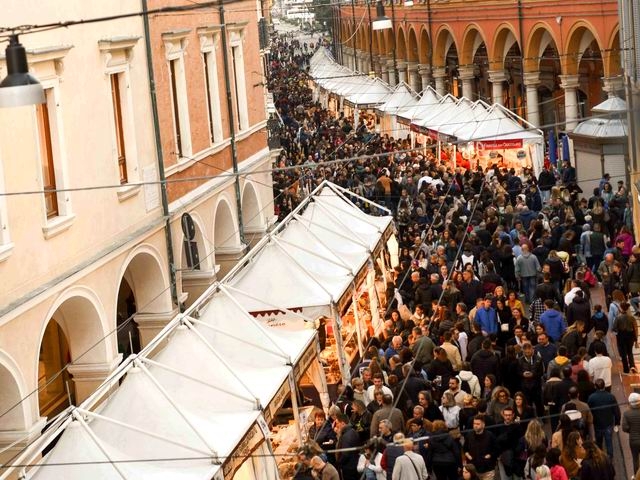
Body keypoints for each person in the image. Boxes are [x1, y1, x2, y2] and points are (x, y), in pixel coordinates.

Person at [587, 378, 620, 457]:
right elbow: (616, 411)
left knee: (598, 442)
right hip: (608, 423)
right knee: (609, 442)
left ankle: (600, 457)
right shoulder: (611, 396)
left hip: (597, 423)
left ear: (595, 387)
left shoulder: (592, 397)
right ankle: (610, 458)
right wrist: (617, 422)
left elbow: (589, 411)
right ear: (604, 386)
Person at [464, 415, 497, 480]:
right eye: (474, 423)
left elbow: (496, 449)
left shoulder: (490, 435)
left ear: (483, 425)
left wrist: (490, 455)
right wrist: (468, 455)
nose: (475, 425)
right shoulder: (469, 435)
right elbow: (465, 449)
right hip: (473, 470)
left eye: (478, 424)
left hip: (488, 470)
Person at [613, 301, 639, 374]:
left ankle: (626, 369)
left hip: (621, 336)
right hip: (630, 336)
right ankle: (632, 366)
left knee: (623, 353)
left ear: (621, 308)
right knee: (630, 352)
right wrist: (636, 339)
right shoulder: (631, 317)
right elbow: (635, 328)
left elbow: (614, 328)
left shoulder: (618, 317)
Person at [334, 413, 361, 480]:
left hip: (348, 468)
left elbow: (345, 454)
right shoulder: (352, 431)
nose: (336, 426)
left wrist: (339, 463)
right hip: (354, 464)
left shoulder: (346, 436)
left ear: (343, 423)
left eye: (337, 423)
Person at [623, 392, 640, 473]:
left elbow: (624, 428)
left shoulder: (626, 414)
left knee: (635, 459)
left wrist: (631, 430)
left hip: (633, 440)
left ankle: (637, 475)